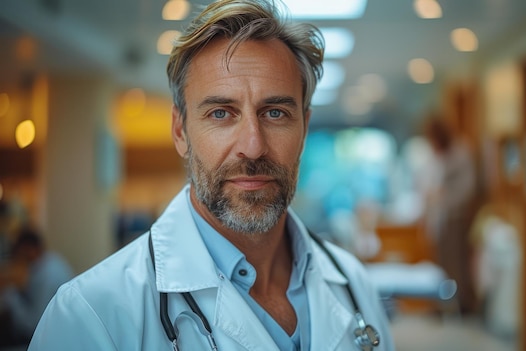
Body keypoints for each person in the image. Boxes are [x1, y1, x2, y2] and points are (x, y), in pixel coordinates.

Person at [28, 1, 394, 350]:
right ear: (180, 131)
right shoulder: (91, 316)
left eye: (276, 113)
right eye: (221, 113)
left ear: (305, 127)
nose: (252, 147)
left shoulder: (353, 285)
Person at [421, 115, 478, 314]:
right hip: (439, 219)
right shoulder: (435, 157)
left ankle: (460, 304)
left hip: (455, 218)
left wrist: (444, 197)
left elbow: (467, 188)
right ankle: (443, 303)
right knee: (441, 263)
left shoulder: (460, 154)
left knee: (456, 264)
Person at [0, 227, 73, 346]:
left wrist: (12, 298)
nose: (21, 259)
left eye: (21, 253)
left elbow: (34, 326)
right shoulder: (51, 261)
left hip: (52, 340)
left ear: (29, 249)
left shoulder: (47, 276)